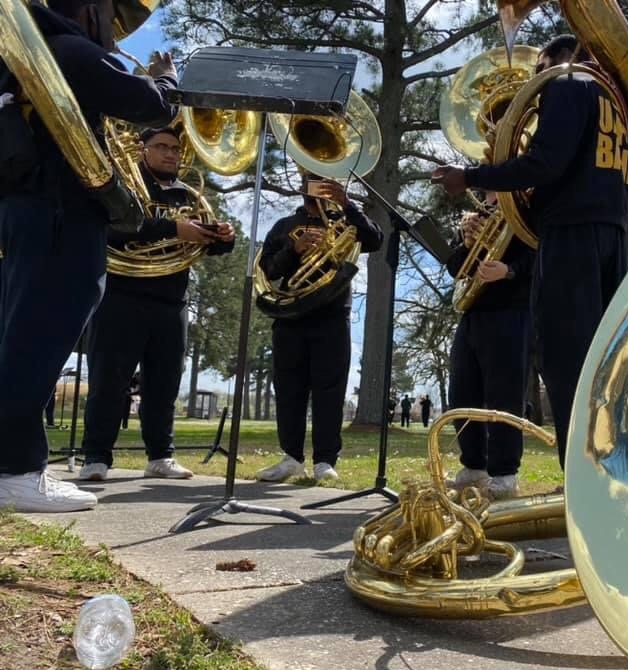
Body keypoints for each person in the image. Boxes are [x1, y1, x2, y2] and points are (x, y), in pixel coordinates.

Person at [432, 34, 628, 466]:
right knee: (603, 359)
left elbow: (544, 164)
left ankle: (577, 475)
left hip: (570, 238)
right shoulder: (620, 105)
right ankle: (607, 465)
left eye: (538, 69)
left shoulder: (566, 84)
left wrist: (470, 178)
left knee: (564, 358)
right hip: (613, 239)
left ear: (552, 60)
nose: (536, 80)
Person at [0, 0, 178, 513]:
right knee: (40, 335)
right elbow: (150, 104)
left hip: (34, 209)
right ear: (92, 11)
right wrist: (165, 78)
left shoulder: (31, 51)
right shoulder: (65, 48)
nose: (117, 31)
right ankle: (13, 470)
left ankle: (20, 464)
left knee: (24, 333)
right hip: (62, 210)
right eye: (113, 17)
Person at [79, 126, 235, 482]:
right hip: (122, 295)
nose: (170, 154)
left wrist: (222, 237)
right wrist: (171, 230)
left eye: (176, 149)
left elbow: (201, 244)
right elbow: (113, 229)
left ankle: (160, 456)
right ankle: (96, 457)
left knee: (164, 383)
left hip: (171, 299)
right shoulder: (123, 187)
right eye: (161, 147)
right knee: (109, 380)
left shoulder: (186, 193)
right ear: (142, 150)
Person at [255, 173, 383, 483]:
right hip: (290, 314)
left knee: (330, 390)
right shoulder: (284, 226)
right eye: (312, 181)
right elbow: (268, 270)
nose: (318, 187)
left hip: (332, 313)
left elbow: (375, 240)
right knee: (288, 389)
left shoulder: (347, 221)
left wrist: (347, 203)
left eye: (325, 180)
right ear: (302, 187)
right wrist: (294, 249)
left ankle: (325, 460)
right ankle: (291, 457)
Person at [445, 193, 534, 499]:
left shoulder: (526, 211)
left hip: (511, 312)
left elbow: (541, 255)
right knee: (460, 393)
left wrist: (508, 271)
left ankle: (505, 474)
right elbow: (456, 268)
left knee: (504, 397)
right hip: (473, 313)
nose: (487, 194)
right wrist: (468, 243)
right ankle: (473, 466)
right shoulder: (478, 217)